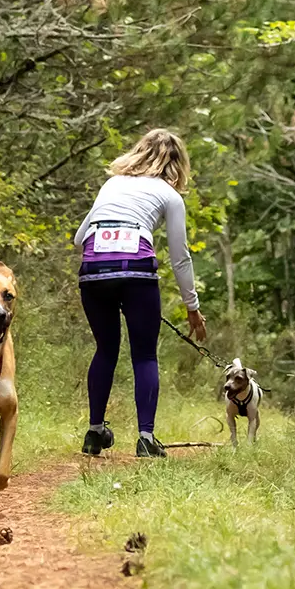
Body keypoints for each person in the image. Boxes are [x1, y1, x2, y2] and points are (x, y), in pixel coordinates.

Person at [72, 129, 207, 458]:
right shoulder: (169, 196)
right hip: (137, 273)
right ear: (177, 164)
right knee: (144, 355)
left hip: (93, 271)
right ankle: (146, 438)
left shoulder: (112, 184)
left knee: (105, 350)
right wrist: (193, 307)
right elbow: (180, 257)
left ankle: (94, 432)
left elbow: (79, 239)